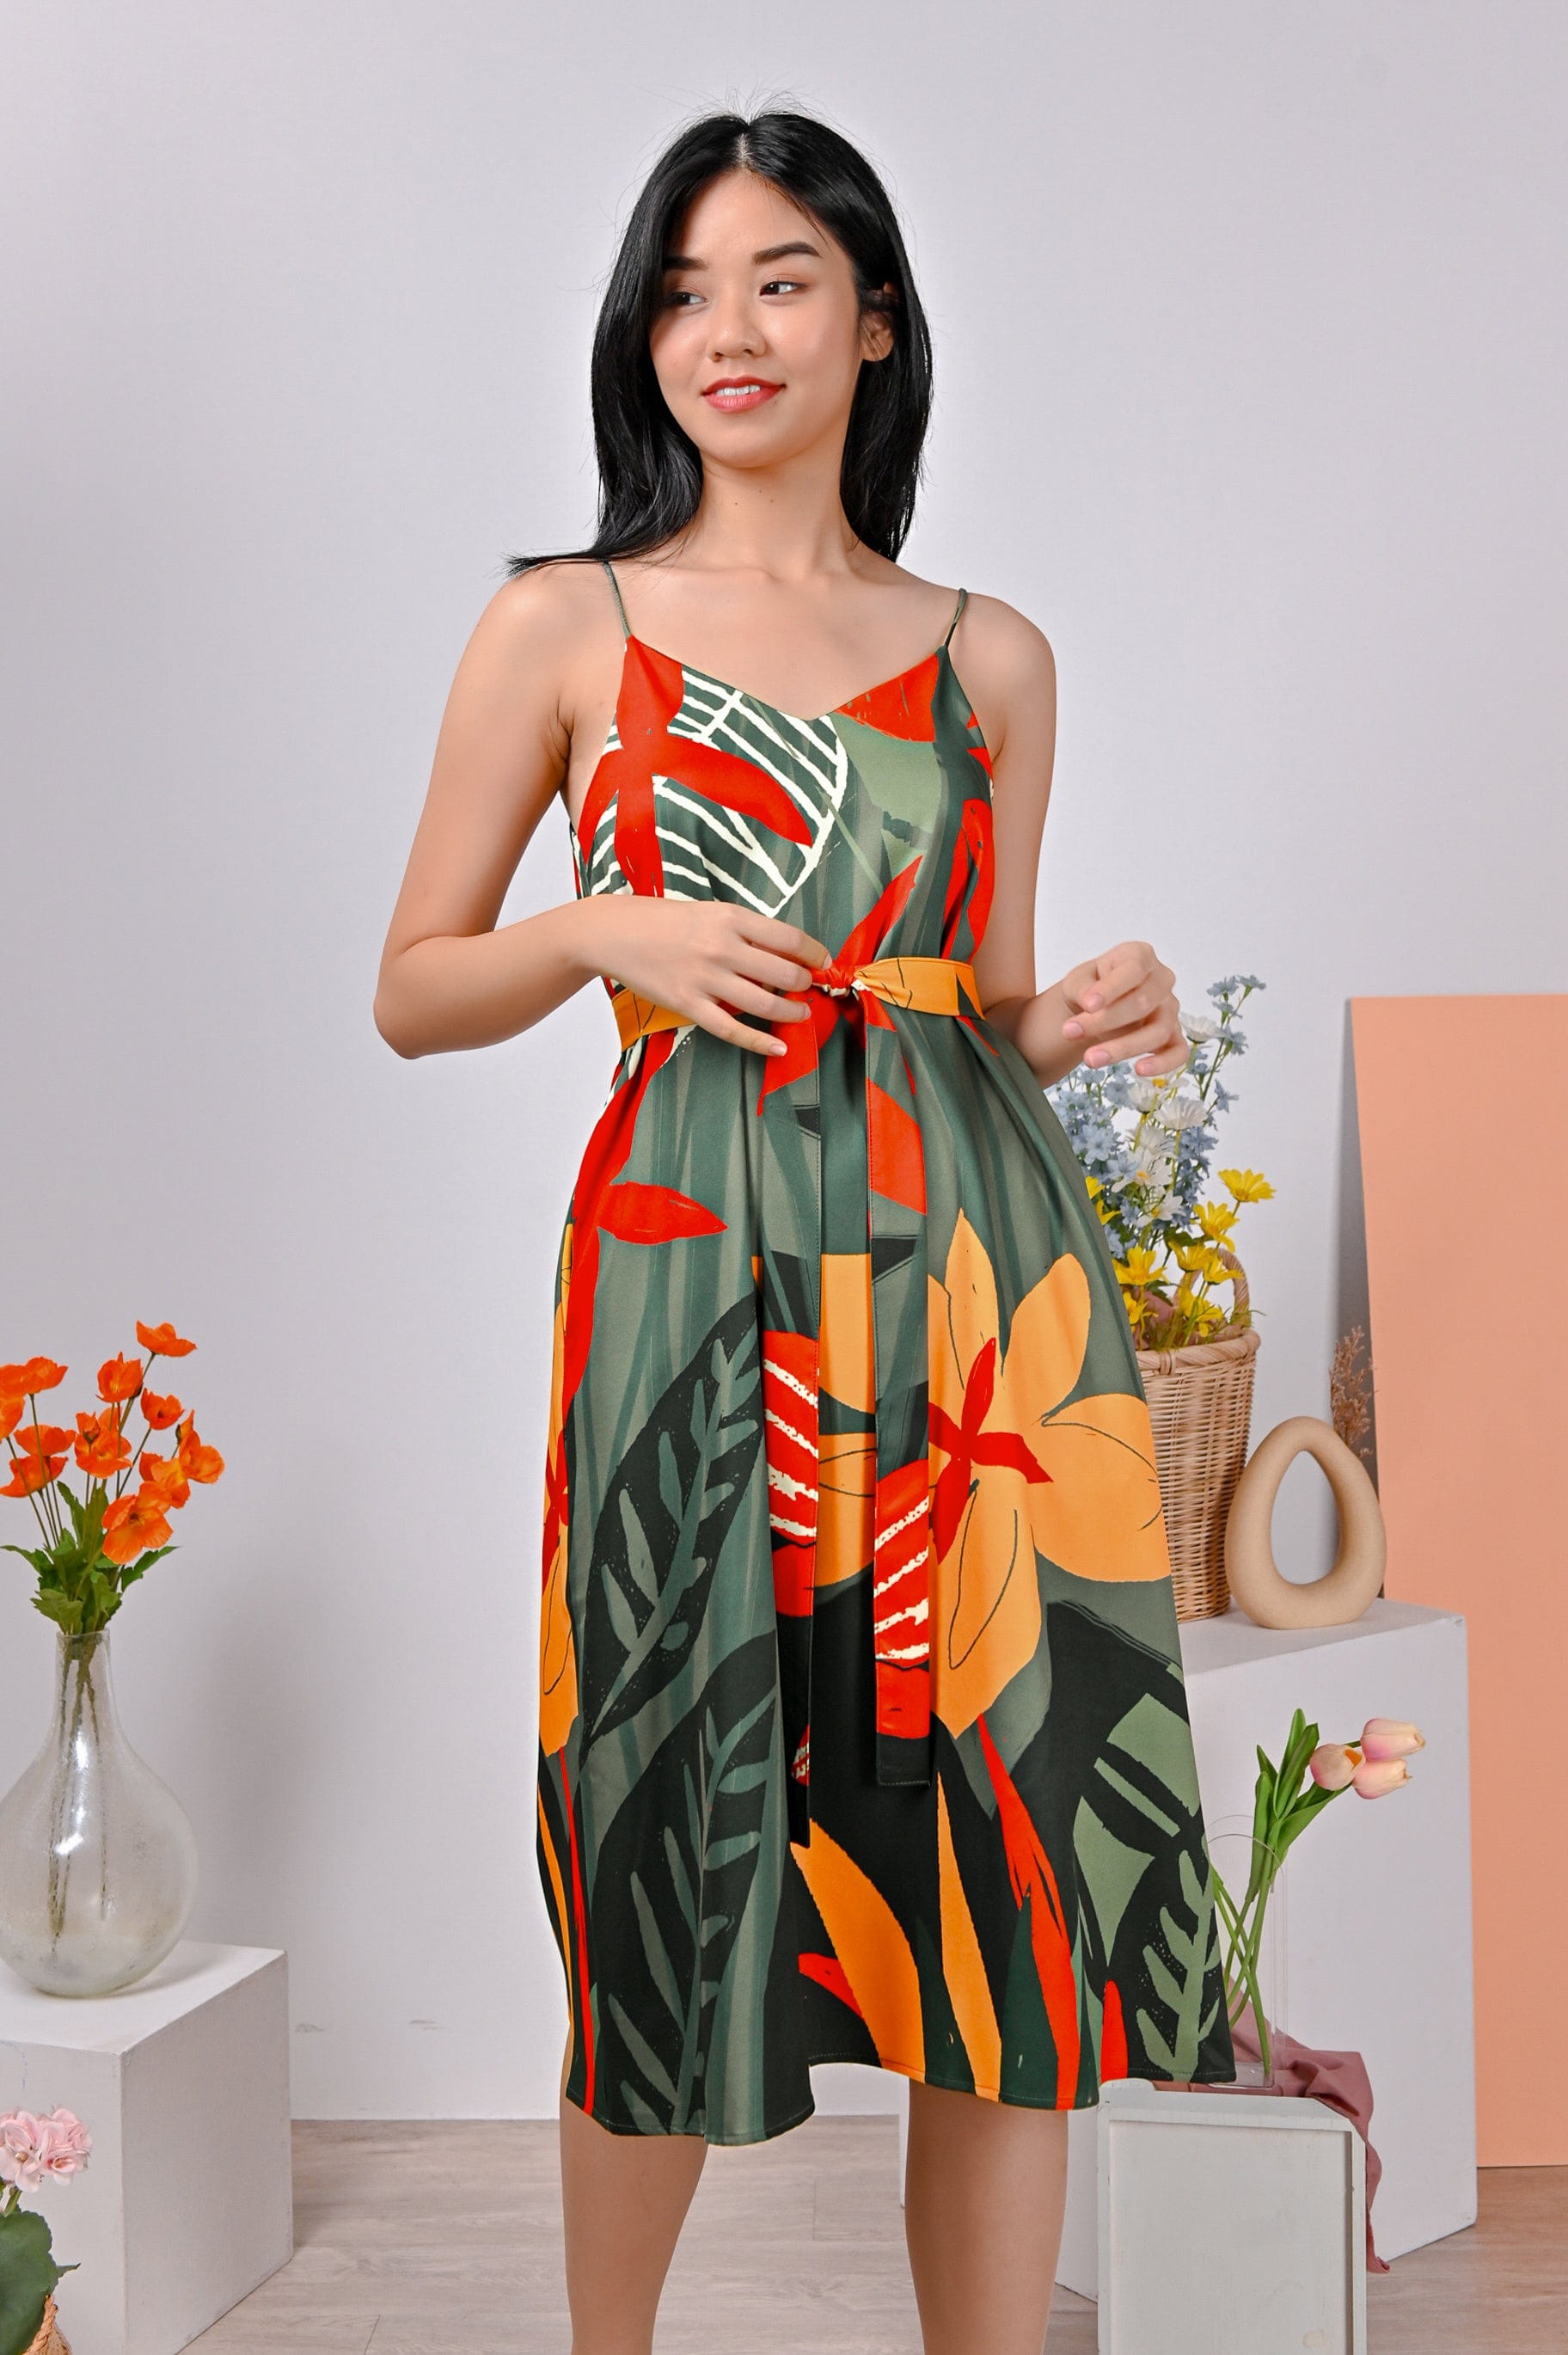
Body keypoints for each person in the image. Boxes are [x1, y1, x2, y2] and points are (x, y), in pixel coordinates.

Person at [375, 106, 1235, 2355]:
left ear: (876, 322)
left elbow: (977, 1000)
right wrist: (606, 931)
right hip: (692, 1291)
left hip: (976, 1299)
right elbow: (413, 986)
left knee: (997, 1866)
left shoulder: (993, 656)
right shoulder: (561, 625)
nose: (725, 330)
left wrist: (1073, 1018)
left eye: (777, 279)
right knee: (666, 1831)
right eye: (682, 290)